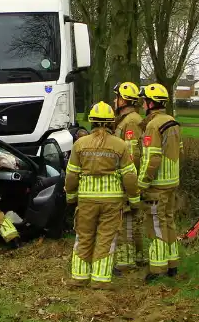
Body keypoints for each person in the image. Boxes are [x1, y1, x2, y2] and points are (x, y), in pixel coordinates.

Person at [65, 102, 139, 288]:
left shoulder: (80, 144)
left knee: (84, 236)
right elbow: (130, 176)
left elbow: (72, 174)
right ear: (110, 122)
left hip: (87, 200)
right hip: (112, 201)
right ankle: (100, 279)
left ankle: (79, 277)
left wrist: (71, 197)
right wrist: (134, 198)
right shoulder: (120, 145)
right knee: (106, 237)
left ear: (92, 121)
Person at [138, 83, 183, 282]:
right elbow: (180, 150)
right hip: (172, 182)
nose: (142, 104)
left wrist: (141, 183)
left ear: (150, 103)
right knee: (169, 222)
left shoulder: (152, 125)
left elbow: (152, 158)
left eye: (144, 101)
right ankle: (172, 264)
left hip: (157, 186)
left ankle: (157, 269)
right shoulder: (172, 121)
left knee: (156, 225)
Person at [112, 81, 145, 271]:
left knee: (126, 220)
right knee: (133, 218)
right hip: (128, 177)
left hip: (128, 178)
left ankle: (126, 262)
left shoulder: (131, 121)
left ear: (123, 100)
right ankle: (139, 258)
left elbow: (133, 155)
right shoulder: (126, 120)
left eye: (117, 97)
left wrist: (128, 180)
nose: (114, 100)